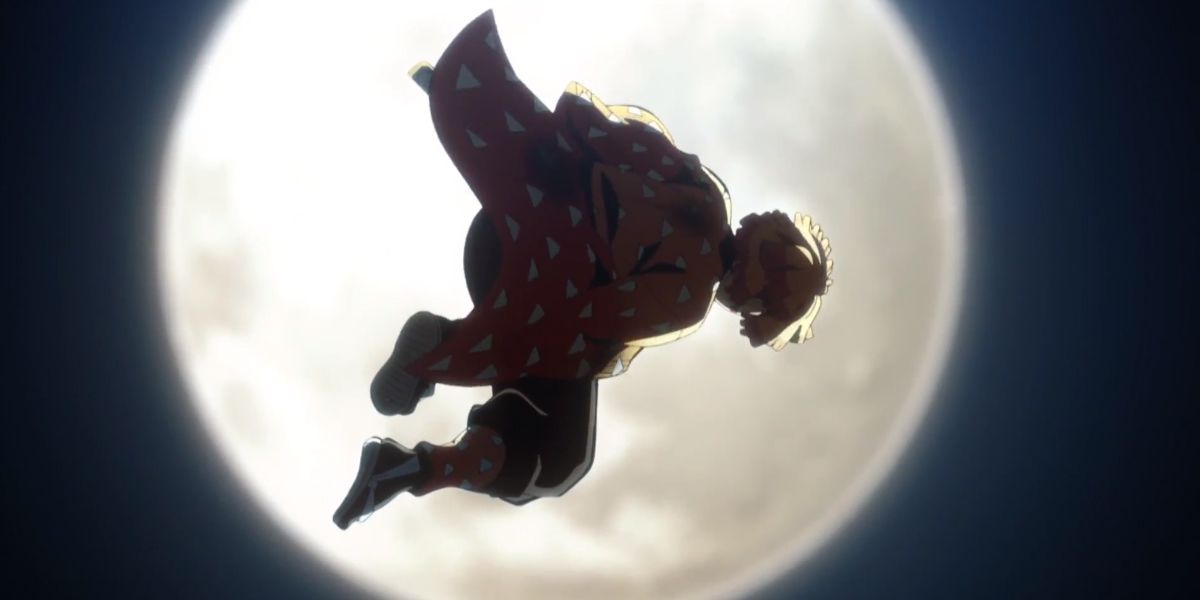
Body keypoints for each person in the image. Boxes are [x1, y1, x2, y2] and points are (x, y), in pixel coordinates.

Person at [333, 9, 833, 530]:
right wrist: (507, 349)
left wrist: (552, 134)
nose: (747, 314)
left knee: (535, 405)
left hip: (506, 223)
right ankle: (431, 383)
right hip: (537, 273)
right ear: (756, 289)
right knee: (560, 454)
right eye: (760, 307)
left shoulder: (700, 190)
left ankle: (408, 452)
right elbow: (598, 315)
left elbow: (620, 136)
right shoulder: (688, 295)